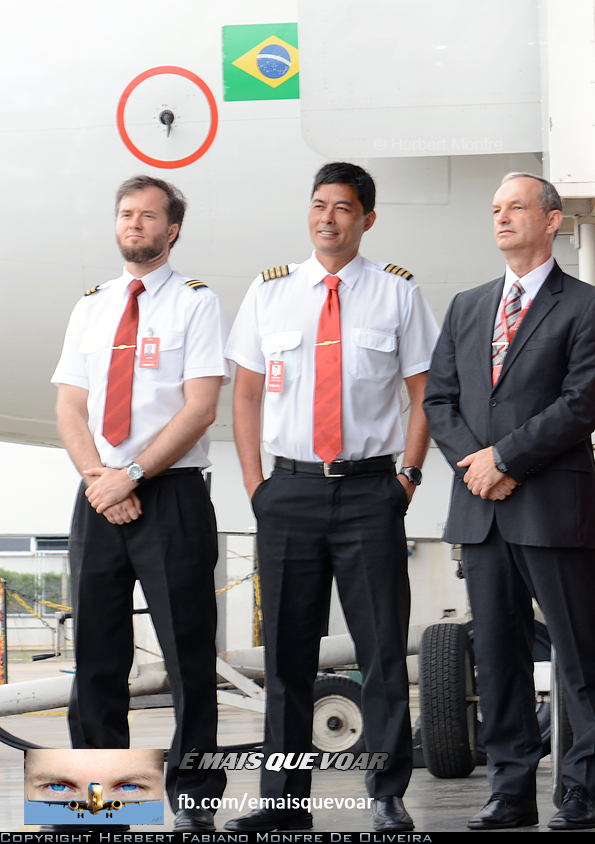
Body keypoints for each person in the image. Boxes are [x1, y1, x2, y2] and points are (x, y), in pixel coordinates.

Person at [225, 162, 436, 834]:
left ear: (366, 218)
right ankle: (284, 801)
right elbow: (248, 394)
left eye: (343, 208)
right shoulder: (269, 292)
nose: (328, 218)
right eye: (319, 205)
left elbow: (423, 391)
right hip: (286, 491)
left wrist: (407, 475)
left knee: (379, 653)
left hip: (372, 489)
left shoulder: (397, 293)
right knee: (287, 657)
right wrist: (257, 485)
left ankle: (386, 792)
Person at [423, 172, 595, 832]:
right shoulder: (468, 304)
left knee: (581, 649)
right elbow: (439, 401)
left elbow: (581, 403)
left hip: (552, 506)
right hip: (480, 509)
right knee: (500, 655)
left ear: (554, 219)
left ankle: (586, 789)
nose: (502, 217)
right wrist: (476, 464)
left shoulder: (589, 305)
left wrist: (505, 458)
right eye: (496, 207)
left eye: (516, 206)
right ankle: (510, 790)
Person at [51, 175, 227, 830]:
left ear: (171, 228)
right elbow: (70, 405)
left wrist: (132, 474)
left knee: (189, 656)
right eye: (126, 213)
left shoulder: (196, 303)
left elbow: (200, 406)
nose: (134, 224)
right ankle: (98, 806)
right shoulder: (91, 306)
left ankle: (197, 803)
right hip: (97, 493)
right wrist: (101, 477)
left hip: (172, 493)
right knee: (96, 657)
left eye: (148, 216)